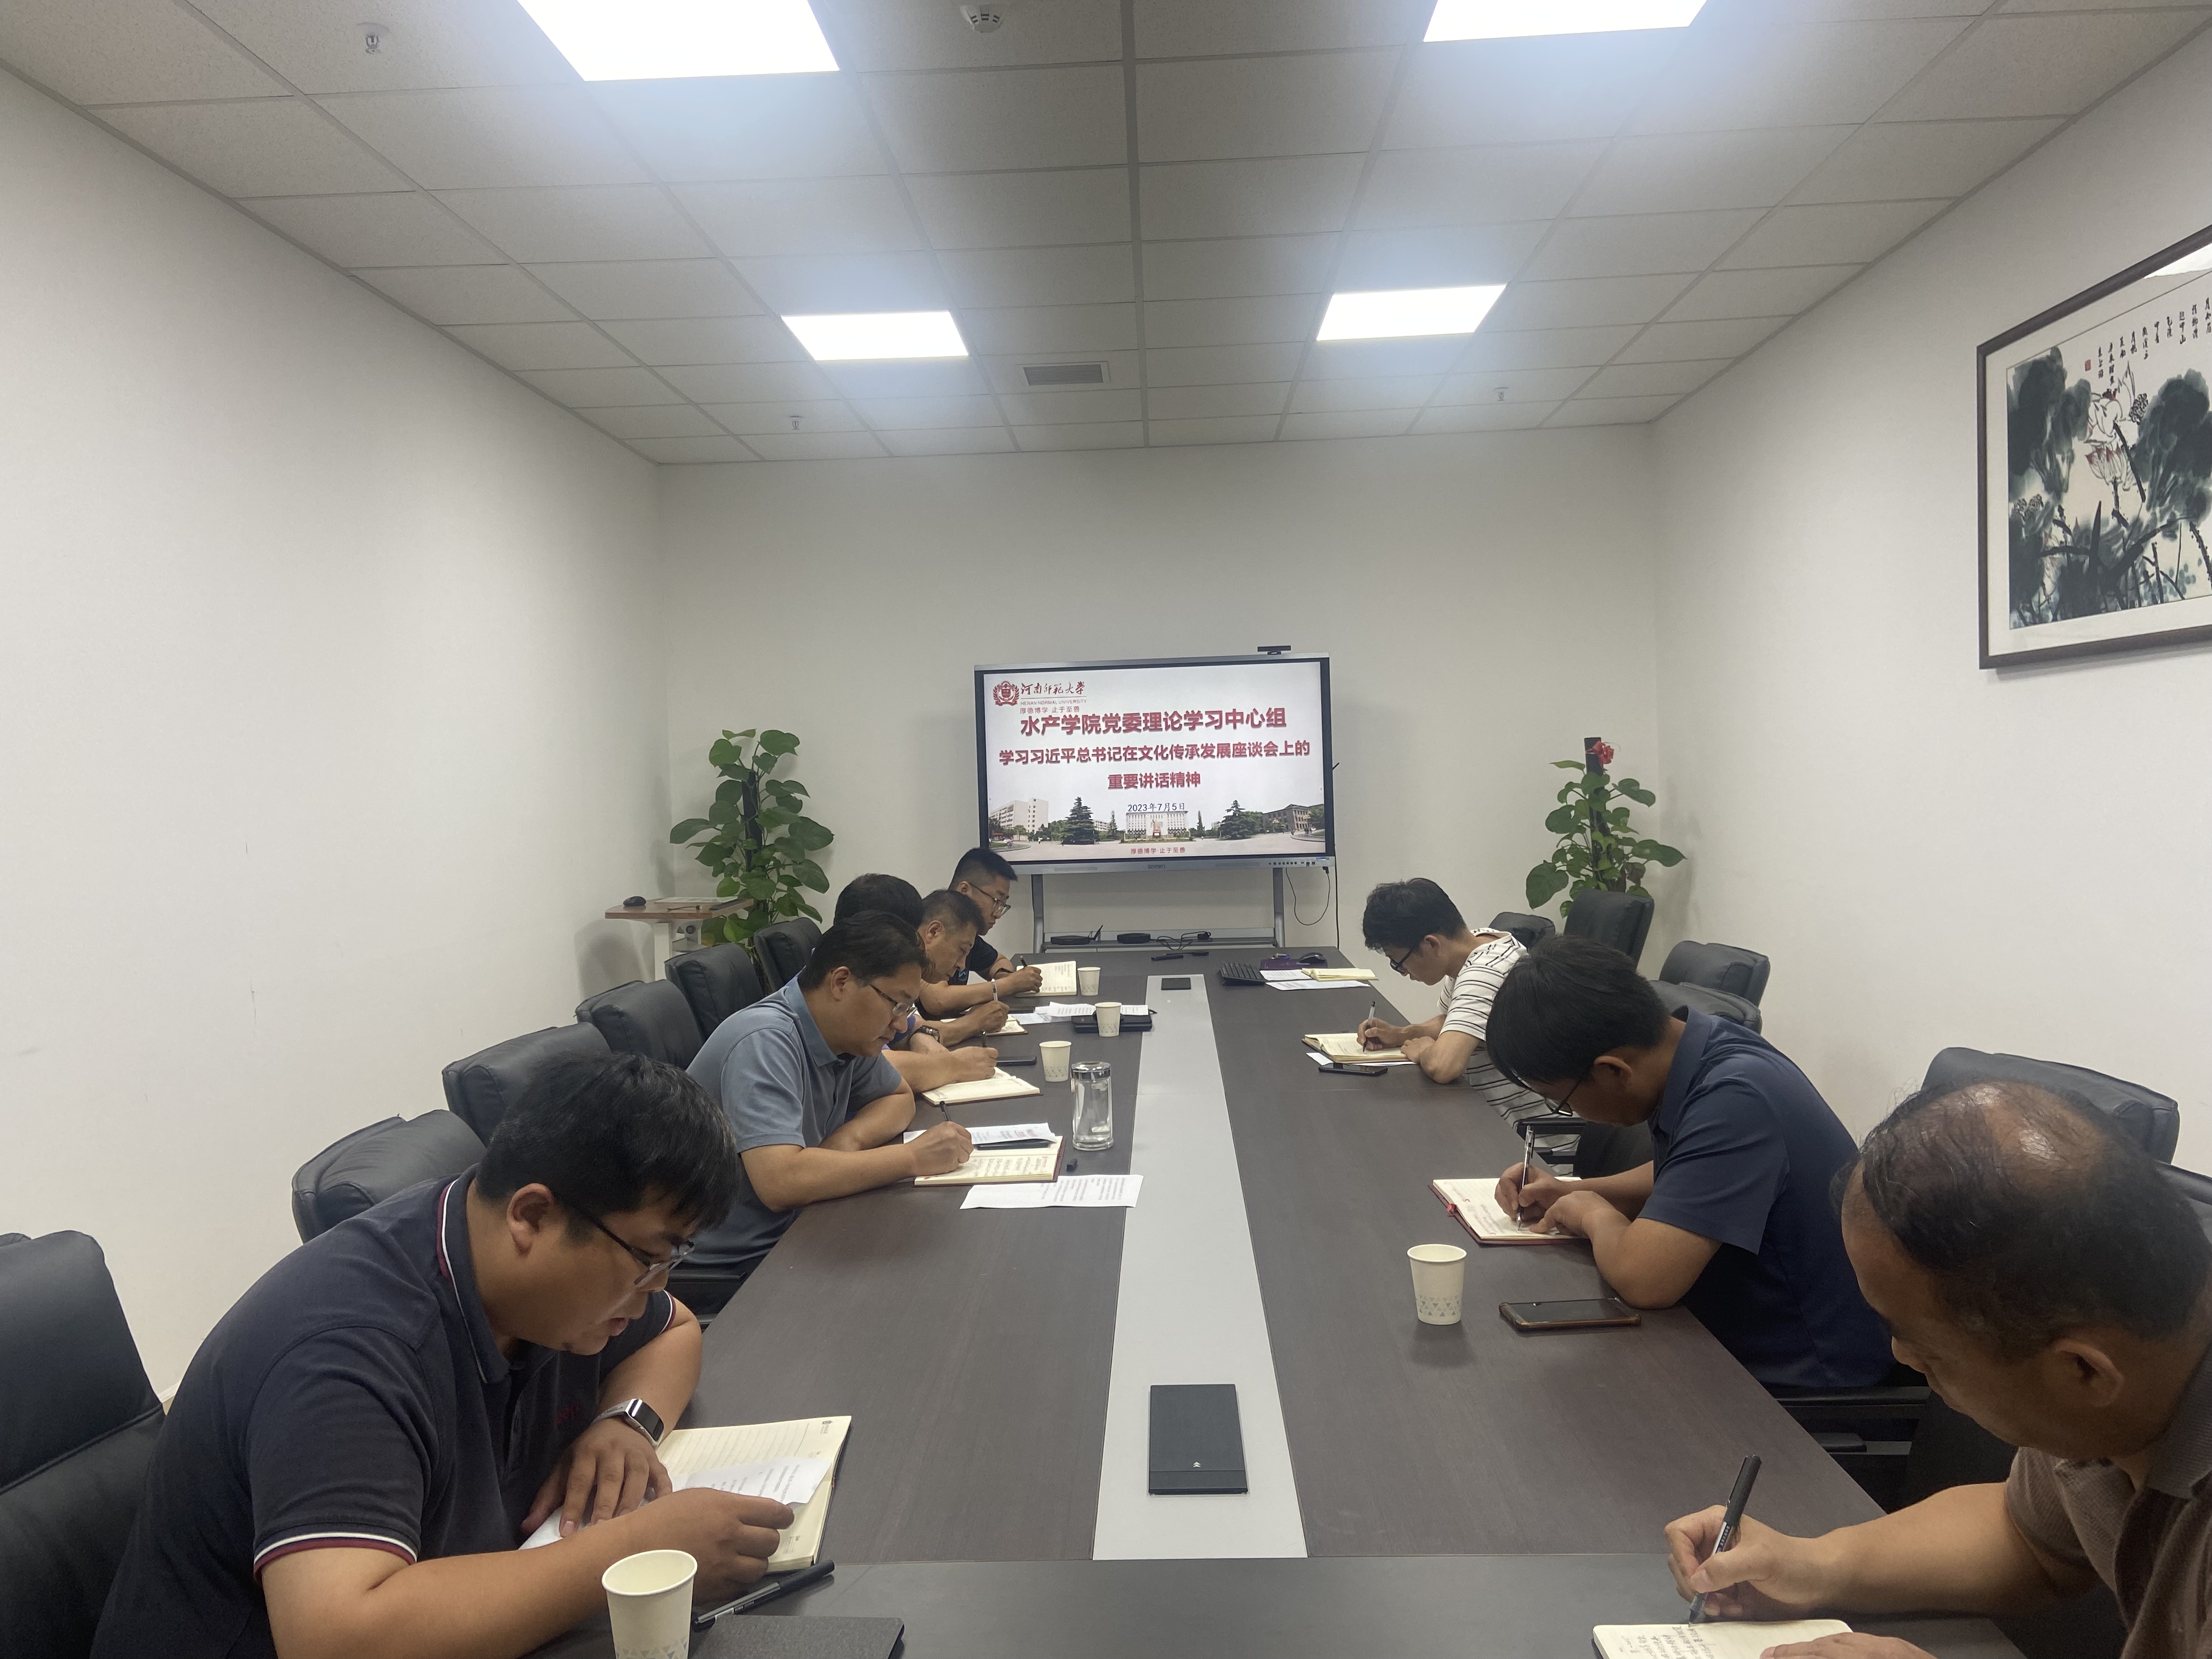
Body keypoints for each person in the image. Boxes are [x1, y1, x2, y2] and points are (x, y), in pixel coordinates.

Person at [93, 1054, 794, 1659]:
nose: (653, 1293)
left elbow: (676, 1332)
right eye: (647, 1260)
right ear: (531, 1216)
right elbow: (337, 1637)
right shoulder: (350, 1348)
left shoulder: (546, 1291)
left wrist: (627, 1423)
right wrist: (637, 1550)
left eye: (670, 1262)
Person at [1665, 1080, 2212, 1659]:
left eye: (1926, 1348)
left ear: (2084, 1372)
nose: (1903, 1357)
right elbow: (2025, 1534)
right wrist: (1811, 1565)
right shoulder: (2120, 1379)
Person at [1485, 936, 1891, 1390]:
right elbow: (1689, 1173)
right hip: (1729, 1330)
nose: (1570, 1111)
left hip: (1800, 1375)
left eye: (1560, 1100)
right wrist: (1573, 1190)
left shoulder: (1737, 1098)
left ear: (1613, 1070)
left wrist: (1594, 1214)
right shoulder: (1701, 1045)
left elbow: (1645, 1280)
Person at [684, 913, 973, 1302]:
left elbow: (897, 1097)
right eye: (897, 1005)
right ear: (841, 982)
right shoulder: (765, 1041)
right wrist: (912, 1159)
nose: (901, 1026)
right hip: (735, 1265)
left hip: (798, 1229)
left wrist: (847, 1141)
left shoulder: (844, 1034)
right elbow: (780, 1182)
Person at [1351, 878, 1552, 1127]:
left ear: (1431, 944)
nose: (1403, 972)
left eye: (1398, 962)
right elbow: (1453, 1020)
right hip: (1485, 1113)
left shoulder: (1484, 972)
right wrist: (1402, 1034)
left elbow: (1443, 1067)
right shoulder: (1479, 944)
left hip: (1524, 1135)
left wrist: (1424, 1051)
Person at [830, 877, 1005, 1092]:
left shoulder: (873, 978)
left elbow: (908, 1029)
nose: (915, 949)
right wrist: (954, 1066)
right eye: (909, 938)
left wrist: (920, 1036)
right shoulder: (851, 984)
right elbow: (878, 1072)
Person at [918, 847, 1043, 1020]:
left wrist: (1004, 978)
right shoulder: (930, 926)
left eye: (1003, 905)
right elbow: (938, 1000)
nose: (998, 913)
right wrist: (1009, 985)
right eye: (996, 901)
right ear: (965, 891)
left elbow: (998, 962)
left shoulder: (968, 936)